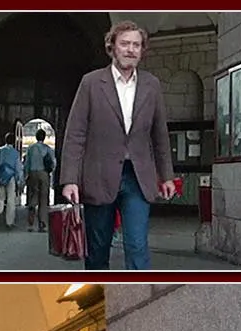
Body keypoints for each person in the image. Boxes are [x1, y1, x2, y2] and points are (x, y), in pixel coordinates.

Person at [59, 20, 176, 270]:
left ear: (142, 50)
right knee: (98, 249)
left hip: (138, 177)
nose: (131, 49)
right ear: (112, 46)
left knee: (137, 245)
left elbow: (160, 135)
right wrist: (70, 179)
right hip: (98, 176)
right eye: (125, 44)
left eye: (136, 45)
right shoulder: (91, 83)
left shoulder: (151, 85)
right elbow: (75, 134)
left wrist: (166, 176)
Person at [0, 130, 24, 229]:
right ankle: (9, 222)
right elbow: (18, 167)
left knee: (0, 197)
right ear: (13, 141)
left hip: (0, 176)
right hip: (10, 177)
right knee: (11, 199)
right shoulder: (15, 153)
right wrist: (20, 179)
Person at [23, 129, 56, 232]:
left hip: (33, 173)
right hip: (44, 174)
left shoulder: (31, 148)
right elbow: (53, 163)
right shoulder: (48, 149)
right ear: (44, 137)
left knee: (33, 194)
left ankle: (31, 222)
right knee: (43, 198)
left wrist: (26, 175)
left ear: (36, 137)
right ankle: (42, 223)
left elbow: (26, 163)